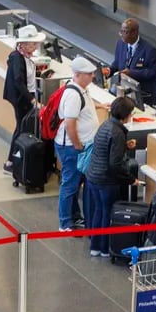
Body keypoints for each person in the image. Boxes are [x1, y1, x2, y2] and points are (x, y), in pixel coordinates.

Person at [86, 97, 138, 258]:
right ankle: (104, 249)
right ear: (126, 114)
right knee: (107, 212)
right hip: (106, 181)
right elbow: (115, 163)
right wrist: (130, 179)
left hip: (93, 175)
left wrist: (124, 145)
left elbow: (106, 149)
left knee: (98, 211)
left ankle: (95, 246)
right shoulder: (117, 132)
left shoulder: (106, 125)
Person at [54, 56, 99, 232]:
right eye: (89, 74)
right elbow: (69, 124)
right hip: (71, 147)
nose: (92, 76)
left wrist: (101, 106)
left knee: (73, 183)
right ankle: (65, 223)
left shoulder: (82, 90)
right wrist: (78, 145)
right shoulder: (73, 95)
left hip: (76, 146)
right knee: (70, 185)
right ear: (78, 75)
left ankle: (74, 217)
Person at [2, 24, 43, 174]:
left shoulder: (25, 57)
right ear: (23, 44)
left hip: (25, 96)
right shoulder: (17, 59)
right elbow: (19, 82)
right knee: (21, 128)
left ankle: (14, 158)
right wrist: (32, 100)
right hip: (22, 99)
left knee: (21, 127)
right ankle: (10, 161)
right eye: (33, 43)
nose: (36, 46)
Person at [103, 18, 156, 106]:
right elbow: (117, 63)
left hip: (142, 96)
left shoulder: (149, 50)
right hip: (124, 92)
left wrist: (132, 73)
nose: (121, 34)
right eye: (121, 31)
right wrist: (109, 70)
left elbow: (154, 72)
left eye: (124, 32)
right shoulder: (121, 43)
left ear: (134, 33)